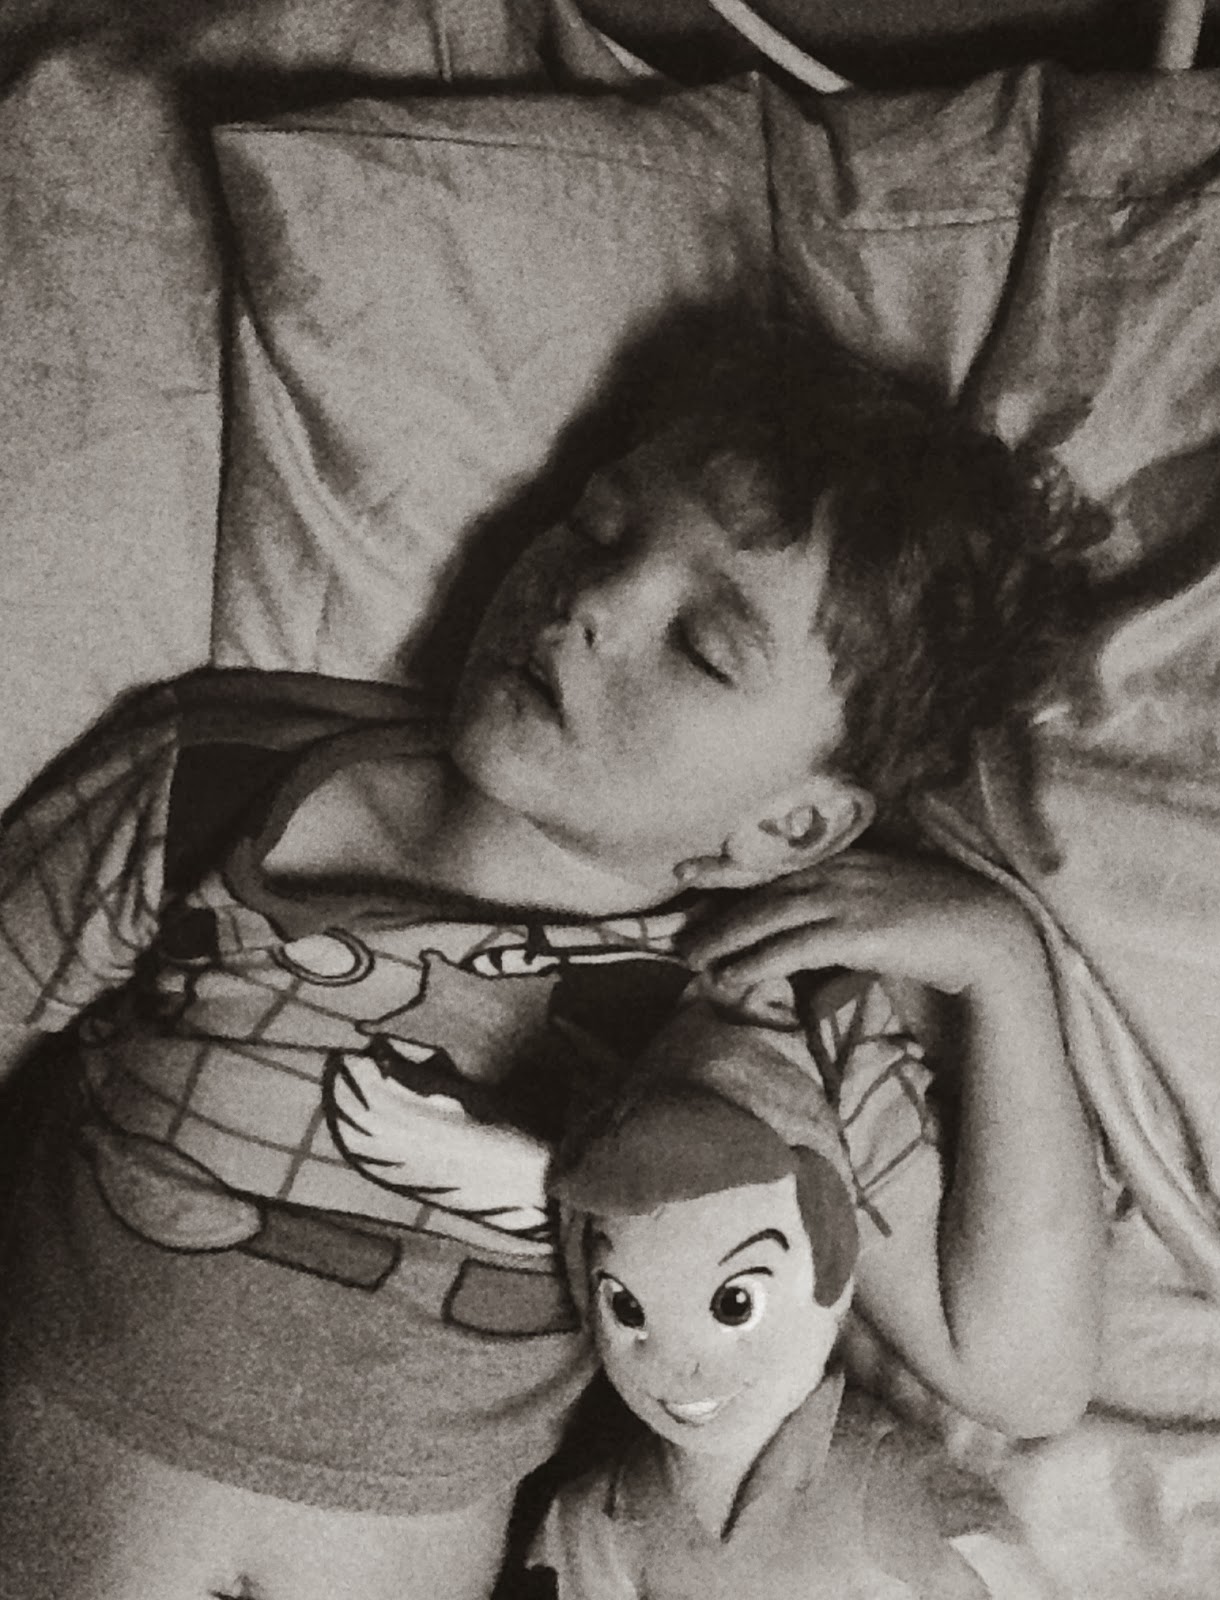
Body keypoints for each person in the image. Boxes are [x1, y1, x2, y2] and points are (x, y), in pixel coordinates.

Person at [0, 328, 1104, 1600]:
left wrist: (1001, 968)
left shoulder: (766, 1000)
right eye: (594, 528)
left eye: (702, 645)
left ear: (789, 826)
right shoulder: (218, 782)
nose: (593, 601)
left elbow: (1019, 1370)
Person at [525, 1001, 992, 1600]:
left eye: (734, 1304)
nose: (681, 1364)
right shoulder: (595, 1519)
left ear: (829, 1264)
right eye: (628, 1311)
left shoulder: (885, 1481)